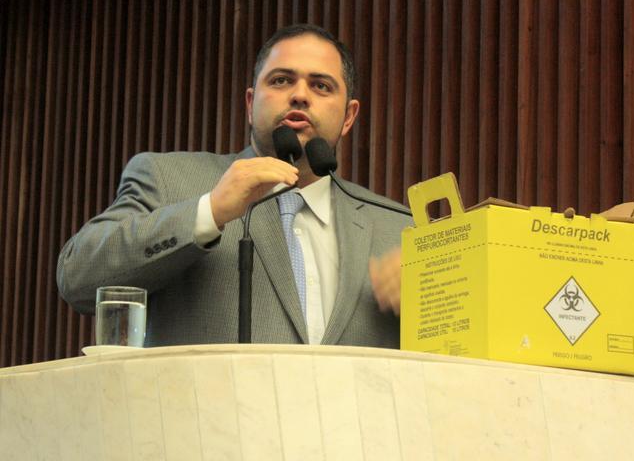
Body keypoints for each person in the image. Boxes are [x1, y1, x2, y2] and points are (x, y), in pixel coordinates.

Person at [57, 24, 410, 348]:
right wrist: (208, 212)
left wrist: (430, 302)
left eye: (321, 86)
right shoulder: (167, 179)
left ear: (349, 116)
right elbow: (78, 278)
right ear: (250, 104)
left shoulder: (399, 229)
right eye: (281, 81)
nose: (300, 95)